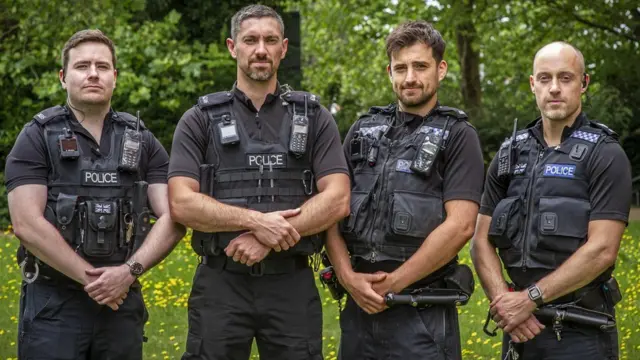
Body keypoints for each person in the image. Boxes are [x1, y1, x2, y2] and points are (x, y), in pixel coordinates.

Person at [167, 4, 350, 360]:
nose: (261, 49)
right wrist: (255, 223)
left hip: (291, 285)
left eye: (270, 40)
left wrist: (268, 239)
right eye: (250, 40)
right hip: (220, 284)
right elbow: (181, 203)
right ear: (232, 47)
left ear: (283, 48)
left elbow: (338, 199)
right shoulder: (198, 119)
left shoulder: (314, 117)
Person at [5, 29, 185, 359]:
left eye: (102, 67)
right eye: (82, 65)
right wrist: (97, 281)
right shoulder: (37, 136)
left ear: (114, 77)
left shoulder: (141, 139)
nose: (92, 73)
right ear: (63, 77)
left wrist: (128, 272)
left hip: (122, 302)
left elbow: (175, 214)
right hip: (53, 304)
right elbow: (26, 223)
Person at [325, 20, 484, 360]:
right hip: (357, 309)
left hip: (422, 314)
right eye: (401, 68)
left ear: (441, 69)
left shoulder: (458, 135)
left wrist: (394, 282)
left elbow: (461, 225)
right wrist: (347, 276)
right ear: (390, 72)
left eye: (420, 66)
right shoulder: (363, 129)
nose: (410, 77)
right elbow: (331, 207)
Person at [471, 41, 631, 360]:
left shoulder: (606, 154)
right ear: (533, 85)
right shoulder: (509, 154)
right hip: (520, 330)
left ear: (583, 83)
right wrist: (506, 302)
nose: (554, 88)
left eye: (565, 78)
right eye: (544, 79)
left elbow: (602, 250)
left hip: (581, 331)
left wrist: (530, 298)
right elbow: (480, 241)